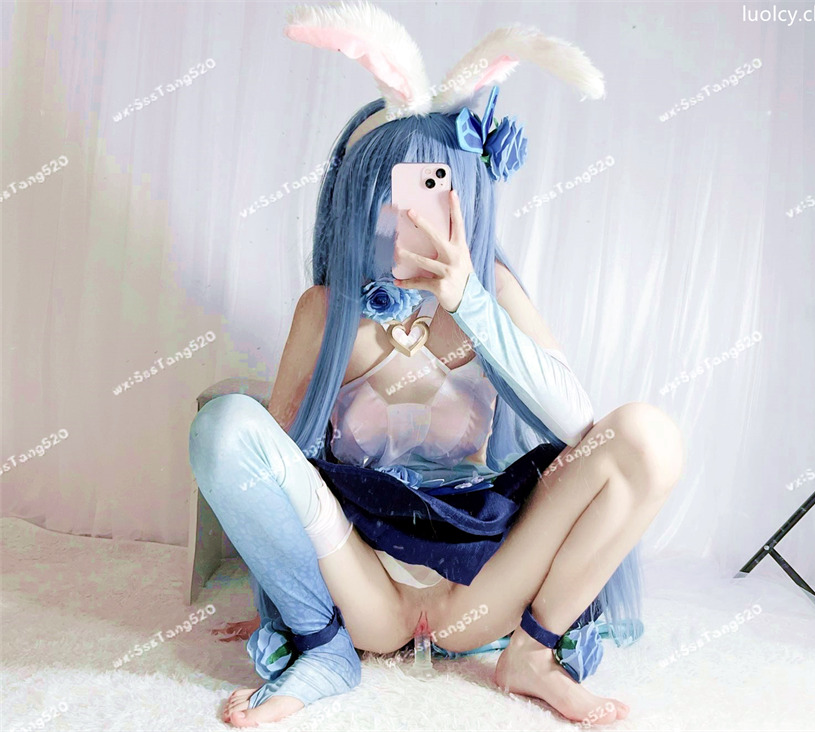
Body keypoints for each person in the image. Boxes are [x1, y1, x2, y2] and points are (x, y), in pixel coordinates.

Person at [189, 2, 684, 727]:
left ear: (468, 195)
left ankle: (532, 656)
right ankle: (322, 652)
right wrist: (285, 606)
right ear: (361, 196)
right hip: (366, 589)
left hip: (486, 586)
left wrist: (470, 301)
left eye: (433, 191)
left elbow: (582, 424)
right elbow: (280, 467)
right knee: (225, 425)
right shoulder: (326, 311)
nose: (410, 215)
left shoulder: (495, 294)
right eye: (394, 194)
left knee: (648, 436)